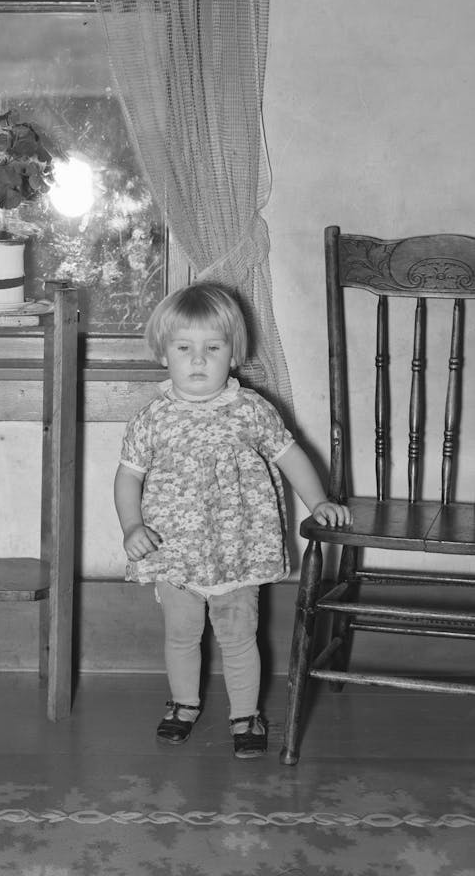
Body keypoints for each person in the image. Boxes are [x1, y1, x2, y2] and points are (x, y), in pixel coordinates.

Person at [114, 281, 351, 758]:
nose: (198, 360)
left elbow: (291, 457)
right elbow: (127, 479)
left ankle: (245, 714)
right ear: (164, 355)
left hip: (238, 548)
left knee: (239, 634)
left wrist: (319, 501)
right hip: (175, 550)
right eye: (184, 348)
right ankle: (184, 704)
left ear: (233, 354)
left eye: (212, 348)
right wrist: (132, 527)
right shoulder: (152, 418)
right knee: (181, 634)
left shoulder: (252, 411)